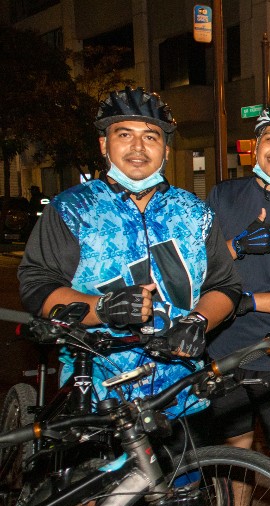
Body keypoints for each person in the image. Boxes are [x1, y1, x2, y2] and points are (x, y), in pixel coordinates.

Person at [18, 86, 240, 422]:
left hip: (180, 391)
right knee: (100, 476)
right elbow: (38, 286)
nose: (138, 146)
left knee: (188, 476)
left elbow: (224, 286)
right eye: (125, 134)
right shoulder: (73, 208)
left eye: (150, 137)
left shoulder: (194, 211)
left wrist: (199, 320)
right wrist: (102, 308)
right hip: (97, 392)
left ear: (165, 150)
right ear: (104, 144)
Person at [198, 103, 270, 484]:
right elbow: (194, 270)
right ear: (255, 145)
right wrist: (235, 246)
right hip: (219, 346)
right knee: (237, 455)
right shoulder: (222, 195)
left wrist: (246, 301)